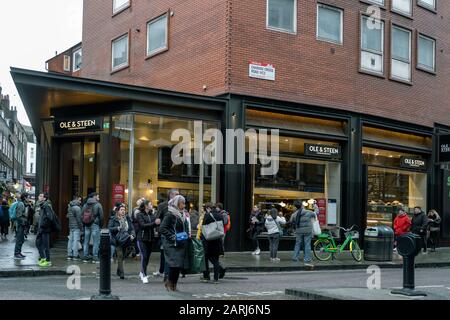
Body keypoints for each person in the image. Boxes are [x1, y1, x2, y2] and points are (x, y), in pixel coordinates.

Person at [159, 195, 189, 292]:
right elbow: (162, 228)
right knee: (174, 264)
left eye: (184, 203)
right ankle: (169, 283)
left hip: (180, 242)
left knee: (178, 265)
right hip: (171, 243)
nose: (184, 205)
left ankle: (174, 284)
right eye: (182, 203)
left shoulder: (182, 214)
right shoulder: (170, 214)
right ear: (177, 203)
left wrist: (186, 235)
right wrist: (172, 236)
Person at [154, 189, 179, 280]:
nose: (178, 196)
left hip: (176, 234)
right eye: (176, 194)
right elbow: (157, 219)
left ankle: (168, 274)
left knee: (172, 255)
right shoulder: (163, 205)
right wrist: (158, 229)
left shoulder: (178, 206)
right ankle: (165, 274)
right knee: (165, 254)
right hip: (165, 235)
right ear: (171, 195)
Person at [198, 202, 226, 283]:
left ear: (209, 208)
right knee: (216, 260)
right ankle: (216, 278)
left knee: (206, 259)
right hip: (217, 240)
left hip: (208, 241)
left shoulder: (207, 215)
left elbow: (203, 228)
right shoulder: (220, 215)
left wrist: (201, 239)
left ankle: (206, 276)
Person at [136, 200, 160, 284]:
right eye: (150, 204)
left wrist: (157, 225)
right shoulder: (139, 215)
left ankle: (142, 272)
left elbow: (156, 224)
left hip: (150, 239)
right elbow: (143, 226)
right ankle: (144, 275)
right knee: (144, 256)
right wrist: (154, 223)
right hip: (142, 239)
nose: (152, 205)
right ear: (146, 206)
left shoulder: (151, 215)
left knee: (147, 258)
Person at [108, 204, 135, 279]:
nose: (123, 211)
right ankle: (122, 273)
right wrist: (117, 228)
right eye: (121, 210)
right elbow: (109, 228)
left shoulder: (128, 218)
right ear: (118, 211)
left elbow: (132, 228)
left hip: (126, 239)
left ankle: (118, 271)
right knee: (120, 255)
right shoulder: (113, 219)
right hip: (117, 240)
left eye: (124, 210)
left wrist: (132, 235)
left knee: (123, 256)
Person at [81, 192, 104, 263]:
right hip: (95, 224)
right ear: (94, 197)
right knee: (96, 242)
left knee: (86, 241)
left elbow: (82, 215)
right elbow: (101, 216)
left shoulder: (85, 204)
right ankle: (95, 257)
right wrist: (100, 225)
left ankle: (85, 256)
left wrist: (84, 223)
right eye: (98, 196)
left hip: (87, 225)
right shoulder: (98, 204)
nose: (98, 198)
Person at [292, 200, 316, 265]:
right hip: (307, 231)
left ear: (295, 207)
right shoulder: (309, 212)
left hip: (299, 231)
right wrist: (315, 206)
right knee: (307, 244)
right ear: (302, 205)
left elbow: (291, 221)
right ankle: (307, 258)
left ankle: (295, 257)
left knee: (297, 244)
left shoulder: (294, 214)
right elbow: (315, 214)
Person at [36, 193, 56, 267]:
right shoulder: (42, 205)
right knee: (38, 243)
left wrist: (43, 225)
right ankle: (43, 257)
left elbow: (49, 217)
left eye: (41, 196)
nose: (39, 197)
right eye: (39, 195)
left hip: (45, 229)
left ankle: (48, 260)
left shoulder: (46, 206)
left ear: (44, 198)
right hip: (41, 228)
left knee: (46, 245)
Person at [67, 195, 83, 260]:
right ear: (76, 199)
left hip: (71, 226)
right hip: (76, 226)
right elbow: (79, 219)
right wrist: (81, 227)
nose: (80, 201)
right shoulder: (77, 208)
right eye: (79, 200)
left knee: (70, 240)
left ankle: (69, 254)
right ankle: (75, 255)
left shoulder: (70, 207)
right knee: (76, 240)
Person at [14, 193, 29, 260]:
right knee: (19, 239)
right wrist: (23, 222)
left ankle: (19, 252)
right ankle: (17, 253)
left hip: (22, 224)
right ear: (25, 198)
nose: (28, 198)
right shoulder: (21, 204)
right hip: (20, 224)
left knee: (21, 239)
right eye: (28, 197)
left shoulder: (23, 204)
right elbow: (18, 216)